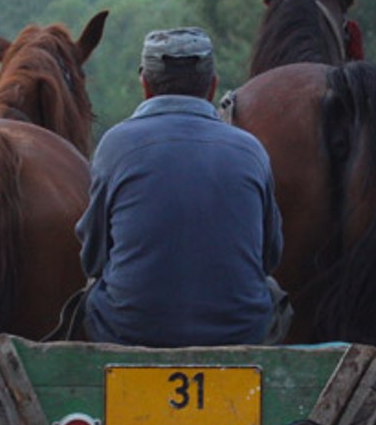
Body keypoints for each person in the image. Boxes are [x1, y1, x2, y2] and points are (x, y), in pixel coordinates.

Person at [73, 27, 286, 346]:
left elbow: (93, 257)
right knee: (273, 293)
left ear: (144, 85)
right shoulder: (250, 149)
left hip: (127, 331)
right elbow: (270, 255)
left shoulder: (115, 145)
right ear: (212, 86)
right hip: (241, 333)